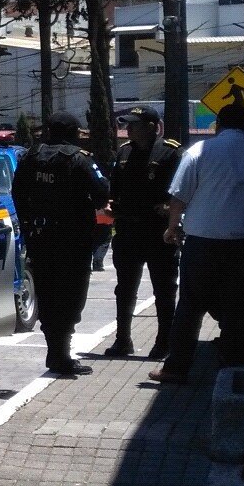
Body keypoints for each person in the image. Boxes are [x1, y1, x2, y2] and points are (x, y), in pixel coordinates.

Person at [150, 101, 244, 385]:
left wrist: (172, 228)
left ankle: (176, 368)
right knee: (237, 307)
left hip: (202, 244)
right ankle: (231, 369)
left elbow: (178, 198)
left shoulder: (197, 152)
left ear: (218, 126)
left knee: (189, 307)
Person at [11, 111, 109, 377]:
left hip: (40, 238)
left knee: (48, 294)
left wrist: (29, 225)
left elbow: (17, 194)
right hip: (73, 240)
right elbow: (102, 191)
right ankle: (61, 354)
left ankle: (55, 351)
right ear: (73, 133)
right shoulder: (79, 158)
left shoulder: (29, 158)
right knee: (71, 296)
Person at [105, 106, 180, 359]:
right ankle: (122, 340)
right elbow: (114, 190)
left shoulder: (170, 152)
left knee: (164, 288)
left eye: (134, 124)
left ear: (151, 127)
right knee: (125, 288)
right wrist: (111, 206)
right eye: (127, 125)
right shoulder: (124, 153)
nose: (128, 129)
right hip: (128, 230)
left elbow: (181, 191)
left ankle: (164, 341)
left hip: (158, 231)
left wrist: (171, 209)